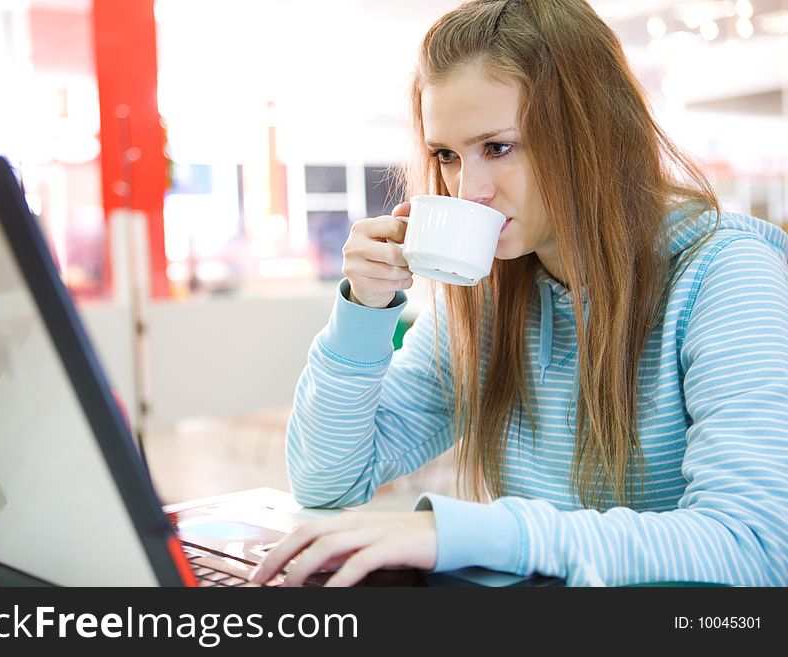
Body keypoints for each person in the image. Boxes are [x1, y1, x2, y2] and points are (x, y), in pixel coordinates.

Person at [251, 0, 788, 587]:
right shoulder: (493, 294)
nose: (467, 190)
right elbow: (327, 480)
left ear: (593, 133)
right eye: (447, 156)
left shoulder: (726, 276)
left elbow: (754, 547)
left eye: (498, 148)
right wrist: (363, 310)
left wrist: (466, 532)